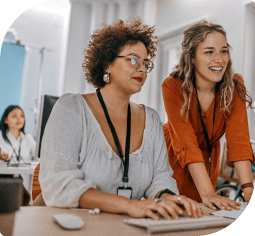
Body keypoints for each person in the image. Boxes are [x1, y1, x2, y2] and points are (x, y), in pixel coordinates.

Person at [39, 18, 203, 220]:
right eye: (133, 60)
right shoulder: (72, 108)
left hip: (126, 227)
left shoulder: (151, 118)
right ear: (107, 63)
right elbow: (60, 184)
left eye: (146, 63)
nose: (142, 69)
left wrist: (168, 198)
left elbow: (160, 177)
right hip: (72, 225)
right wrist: (129, 205)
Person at [162, 21, 254, 211]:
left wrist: (248, 189)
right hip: (173, 159)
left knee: (205, 217)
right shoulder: (173, 86)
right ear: (192, 57)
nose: (219, 59)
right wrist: (208, 193)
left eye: (224, 51)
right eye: (209, 52)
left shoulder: (234, 86)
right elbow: (186, 143)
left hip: (207, 162)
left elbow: (239, 141)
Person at [0, 105, 36, 206]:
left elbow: (40, 155)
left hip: (17, 180)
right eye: (14, 116)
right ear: (6, 120)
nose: (19, 119)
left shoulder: (28, 139)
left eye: (22, 116)